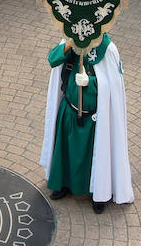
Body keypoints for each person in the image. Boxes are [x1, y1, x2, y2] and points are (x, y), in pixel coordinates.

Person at [40, 33, 132, 214]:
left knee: (95, 155)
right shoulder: (70, 42)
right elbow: (53, 59)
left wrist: (90, 82)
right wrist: (69, 44)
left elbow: (114, 84)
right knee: (65, 150)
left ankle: (98, 192)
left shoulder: (108, 49)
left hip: (95, 118)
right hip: (70, 110)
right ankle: (62, 183)